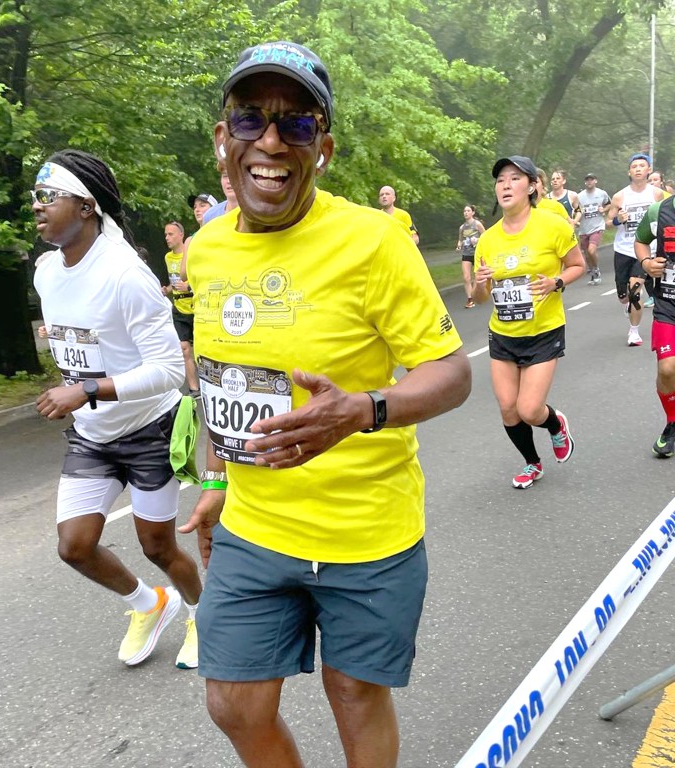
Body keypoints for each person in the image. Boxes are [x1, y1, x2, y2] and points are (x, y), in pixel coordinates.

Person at [179, 40, 471, 768]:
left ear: (324, 148)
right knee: (233, 704)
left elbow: (451, 371)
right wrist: (215, 479)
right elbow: (219, 378)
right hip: (255, 528)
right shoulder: (205, 250)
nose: (271, 141)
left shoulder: (373, 242)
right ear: (222, 138)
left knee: (354, 693)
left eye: (297, 124)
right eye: (250, 118)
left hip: (366, 533)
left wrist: (363, 410)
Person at [32, 149, 202, 670]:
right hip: (93, 434)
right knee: (74, 546)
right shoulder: (45, 271)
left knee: (158, 547)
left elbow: (168, 370)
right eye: (35, 197)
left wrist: (85, 389)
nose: (36, 206)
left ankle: (203, 614)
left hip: (150, 429)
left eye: (48, 196)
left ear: (86, 207)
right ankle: (149, 604)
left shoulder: (127, 274)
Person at [472, 155, 584, 489]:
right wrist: (480, 283)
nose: (505, 185)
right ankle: (532, 463)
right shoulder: (487, 239)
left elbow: (577, 265)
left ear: (533, 186)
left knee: (530, 409)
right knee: (509, 409)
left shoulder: (553, 225)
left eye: (515, 179)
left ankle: (555, 425)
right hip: (503, 333)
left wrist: (555, 282)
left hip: (543, 331)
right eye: (500, 180)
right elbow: (479, 297)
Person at [605, 152, 664, 346]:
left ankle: (634, 331)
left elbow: (665, 216)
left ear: (648, 170)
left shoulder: (656, 194)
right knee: (624, 296)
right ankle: (628, 304)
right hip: (624, 250)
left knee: (635, 290)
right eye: (634, 167)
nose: (638, 169)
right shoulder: (620, 196)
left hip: (646, 249)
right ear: (629, 172)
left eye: (641, 166)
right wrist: (618, 220)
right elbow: (607, 224)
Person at [635, 195, 675, 456]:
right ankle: (672, 422)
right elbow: (640, 241)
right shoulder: (659, 211)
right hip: (668, 303)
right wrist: (647, 263)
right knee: (667, 369)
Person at [163, 221, 200, 398]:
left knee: (201, 350)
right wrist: (167, 290)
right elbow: (174, 282)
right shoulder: (167, 258)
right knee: (184, 348)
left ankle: (209, 384)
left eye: (170, 234)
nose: (167, 238)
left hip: (196, 307)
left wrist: (188, 287)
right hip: (178, 308)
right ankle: (194, 389)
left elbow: (202, 278)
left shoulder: (192, 253)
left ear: (181, 235)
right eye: (165, 234)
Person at [577, 173, 611, 285]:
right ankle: (592, 271)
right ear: (585, 182)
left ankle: (596, 269)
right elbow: (576, 209)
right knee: (586, 253)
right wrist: (577, 217)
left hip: (597, 226)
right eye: (587, 180)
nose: (589, 182)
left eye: (591, 180)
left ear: (595, 181)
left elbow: (609, 204)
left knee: (591, 250)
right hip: (584, 228)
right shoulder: (580, 196)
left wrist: (604, 210)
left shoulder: (601, 193)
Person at [456, 204, 485, 308]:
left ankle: (478, 294)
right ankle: (470, 299)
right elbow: (460, 239)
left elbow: (486, 236)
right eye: (465, 211)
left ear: (473, 213)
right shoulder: (462, 227)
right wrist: (459, 245)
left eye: (468, 211)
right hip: (466, 254)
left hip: (477, 253)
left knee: (478, 277)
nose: (466, 213)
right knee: (466, 277)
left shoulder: (477, 224)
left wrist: (477, 240)